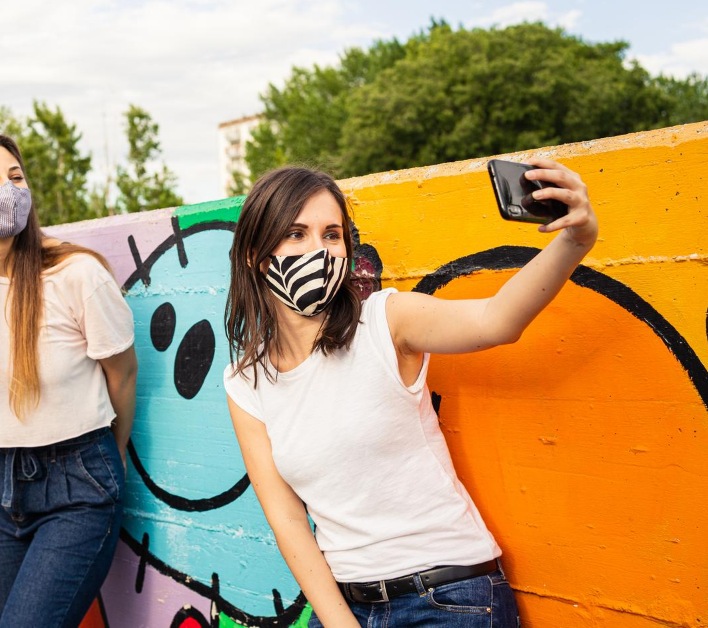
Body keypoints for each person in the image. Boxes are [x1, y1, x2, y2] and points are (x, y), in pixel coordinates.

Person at [222, 161, 598, 627]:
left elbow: (498, 320)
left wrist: (576, 238)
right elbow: (288, 522)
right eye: (296, 234)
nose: (318, 250)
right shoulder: (245, 381)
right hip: (345, 607)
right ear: (256, 254)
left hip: (447, 598)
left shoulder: (385, 320)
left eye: (332, 234)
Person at [0, 133, 138, 628]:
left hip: (79, 482)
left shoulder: (77, 275)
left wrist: (113, 456)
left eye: (16, 177)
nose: (8, 189)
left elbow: (122, 375)